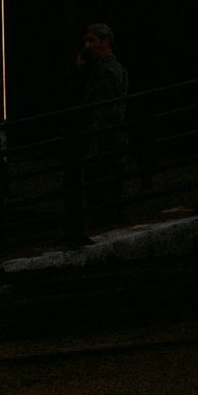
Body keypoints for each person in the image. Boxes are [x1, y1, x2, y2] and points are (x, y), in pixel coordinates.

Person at [74, 19, 130, 234]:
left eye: (91, 40)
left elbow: (101, 113)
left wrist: (93, 150)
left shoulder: (105, 72)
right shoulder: (113, 68)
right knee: (110, 195)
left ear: (105, 42)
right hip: (113, 142)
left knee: (100, 195)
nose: (87, 45)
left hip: (105, 144)